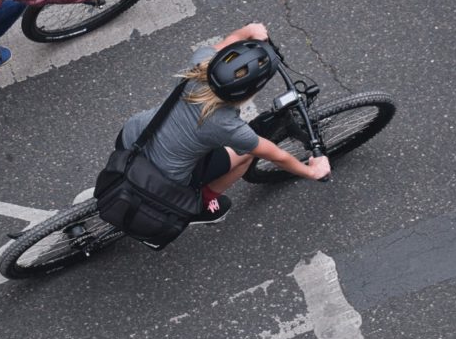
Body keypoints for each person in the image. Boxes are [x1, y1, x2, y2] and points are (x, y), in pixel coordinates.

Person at [117, 23, 331, 224]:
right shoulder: (226, 125)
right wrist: (312, 171)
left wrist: (249, 30)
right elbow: (278, 156)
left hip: (131, 137)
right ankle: (203, 203)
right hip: (164, 178)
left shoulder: (200, 62)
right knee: (248, 154)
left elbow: (231, 39)